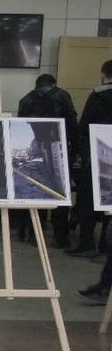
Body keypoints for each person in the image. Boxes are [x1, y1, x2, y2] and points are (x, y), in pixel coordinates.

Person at [15, 74, 78, 247]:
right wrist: (78, 149)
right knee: (61, 191)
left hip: (40, 147)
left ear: (36, 85)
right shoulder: (62, 95)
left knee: (39, 188)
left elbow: (21, 123)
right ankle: (60, 237)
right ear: (53, 84)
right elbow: (72, 122)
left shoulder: (26, 99)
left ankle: (35, 233)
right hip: (61, 146)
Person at [68, 60, 112, 257]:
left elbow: (84, 127)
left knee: (88, 200)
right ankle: (105, 244)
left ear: (103, 74)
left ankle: (86, 242)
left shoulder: (98, 95)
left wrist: (80, 152)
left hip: (96, 156)